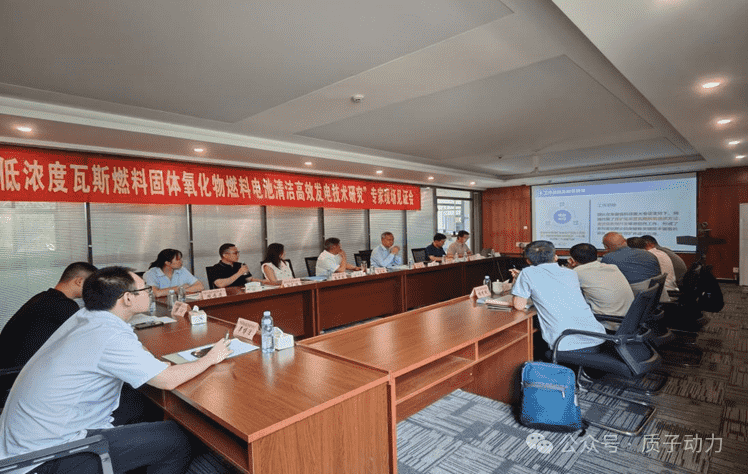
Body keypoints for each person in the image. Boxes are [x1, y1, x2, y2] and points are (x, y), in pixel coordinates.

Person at [0, 267, 232, 474]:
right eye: (145, 289)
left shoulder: (87, 317)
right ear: (128, 298)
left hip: (27, 439)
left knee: (142, 402)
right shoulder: (108, 333)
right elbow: (166, 380)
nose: (149, 293)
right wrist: (210, 358)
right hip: (45, 457)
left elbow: (131, 347)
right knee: (177, 439)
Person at [511, 240, 606, 353]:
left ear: (528, 261)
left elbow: (519, 305)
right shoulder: (571, 273)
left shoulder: (527, 273)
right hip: (598, 337)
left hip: (567, 344)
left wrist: (517, 280)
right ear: (555, 257)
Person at [0, 262, 97, 371]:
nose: (95, 291)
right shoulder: (63, 305)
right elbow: (89, 339)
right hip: (18, 374)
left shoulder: (43, 298)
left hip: (9, 370)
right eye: (93, 285)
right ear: (79, 281)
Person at [568, 243, 634, 318]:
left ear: (572, 260)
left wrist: (571, 268)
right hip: (628, 318)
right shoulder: (613, 267)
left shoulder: (577, 272)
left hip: (607, 320)